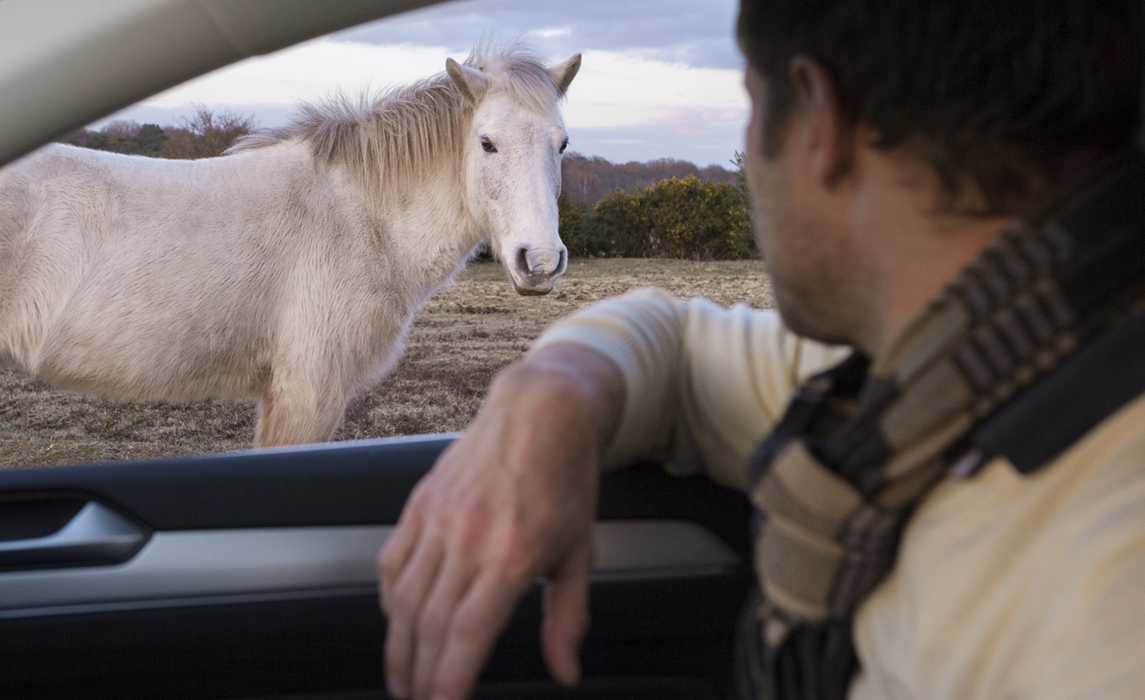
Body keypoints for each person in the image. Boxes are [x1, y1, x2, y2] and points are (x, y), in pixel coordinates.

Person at [376, 1, 1145, 699]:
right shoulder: (943, 367)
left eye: (749, 106)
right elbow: (678, 343)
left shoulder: (1106, 619)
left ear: (820, 123)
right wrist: (553, 387)